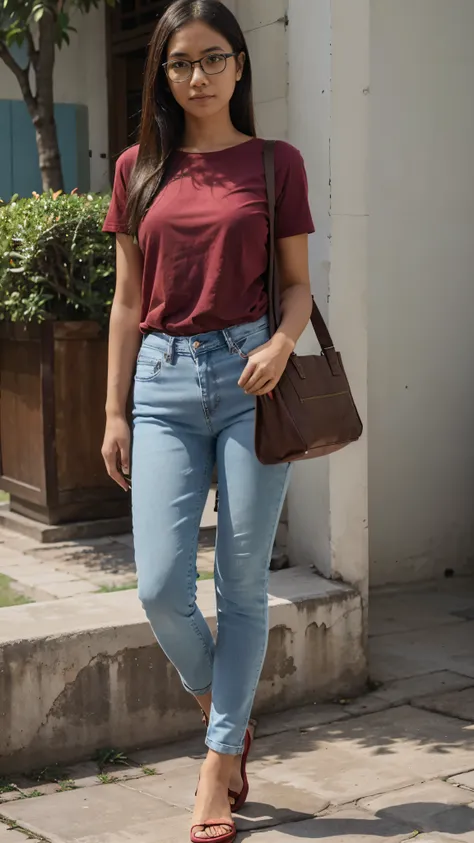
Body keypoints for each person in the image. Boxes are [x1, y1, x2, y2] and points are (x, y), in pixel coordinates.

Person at [101, 1, 314, 840]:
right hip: (160, 380)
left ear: (239, 65)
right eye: (181, 63)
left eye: (213, 58)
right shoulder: (136, 169)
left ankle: (216, 766)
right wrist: (114, 410)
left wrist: (283, 343)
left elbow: (297, 284)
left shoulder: (275, 162)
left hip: (252, 378)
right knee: (159, 584)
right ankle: (226, 718)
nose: (197, 76)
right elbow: (123, 302)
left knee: (242, 581)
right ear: (162, 73)